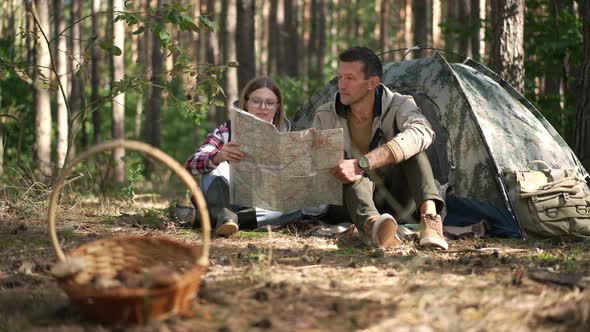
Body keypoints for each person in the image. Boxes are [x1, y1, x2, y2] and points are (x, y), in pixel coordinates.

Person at [312, 46, 448, 250]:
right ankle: (374, 226)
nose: (341, 85)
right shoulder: (325, 115)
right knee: (349, 173)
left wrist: (364, 163)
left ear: (372, 83)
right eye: (340, 77)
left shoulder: (399, 104)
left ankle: (430, 222)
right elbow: (314, 164)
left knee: (413, 149)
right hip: (352, 203)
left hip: (400, 199)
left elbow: (423, 131)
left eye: (350, 78)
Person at [186, 76, 300, 237]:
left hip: (262, 206)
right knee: (218, 168)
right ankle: (224, 213)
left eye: (269, 102)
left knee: (310, 205)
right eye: (256, 101)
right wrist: (217, 157)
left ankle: (219, 218)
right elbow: (192, 164)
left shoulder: (288, 136)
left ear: (277, 106)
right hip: (228, 197)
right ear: (245, 103)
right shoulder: (228, 130)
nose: (263, 107)